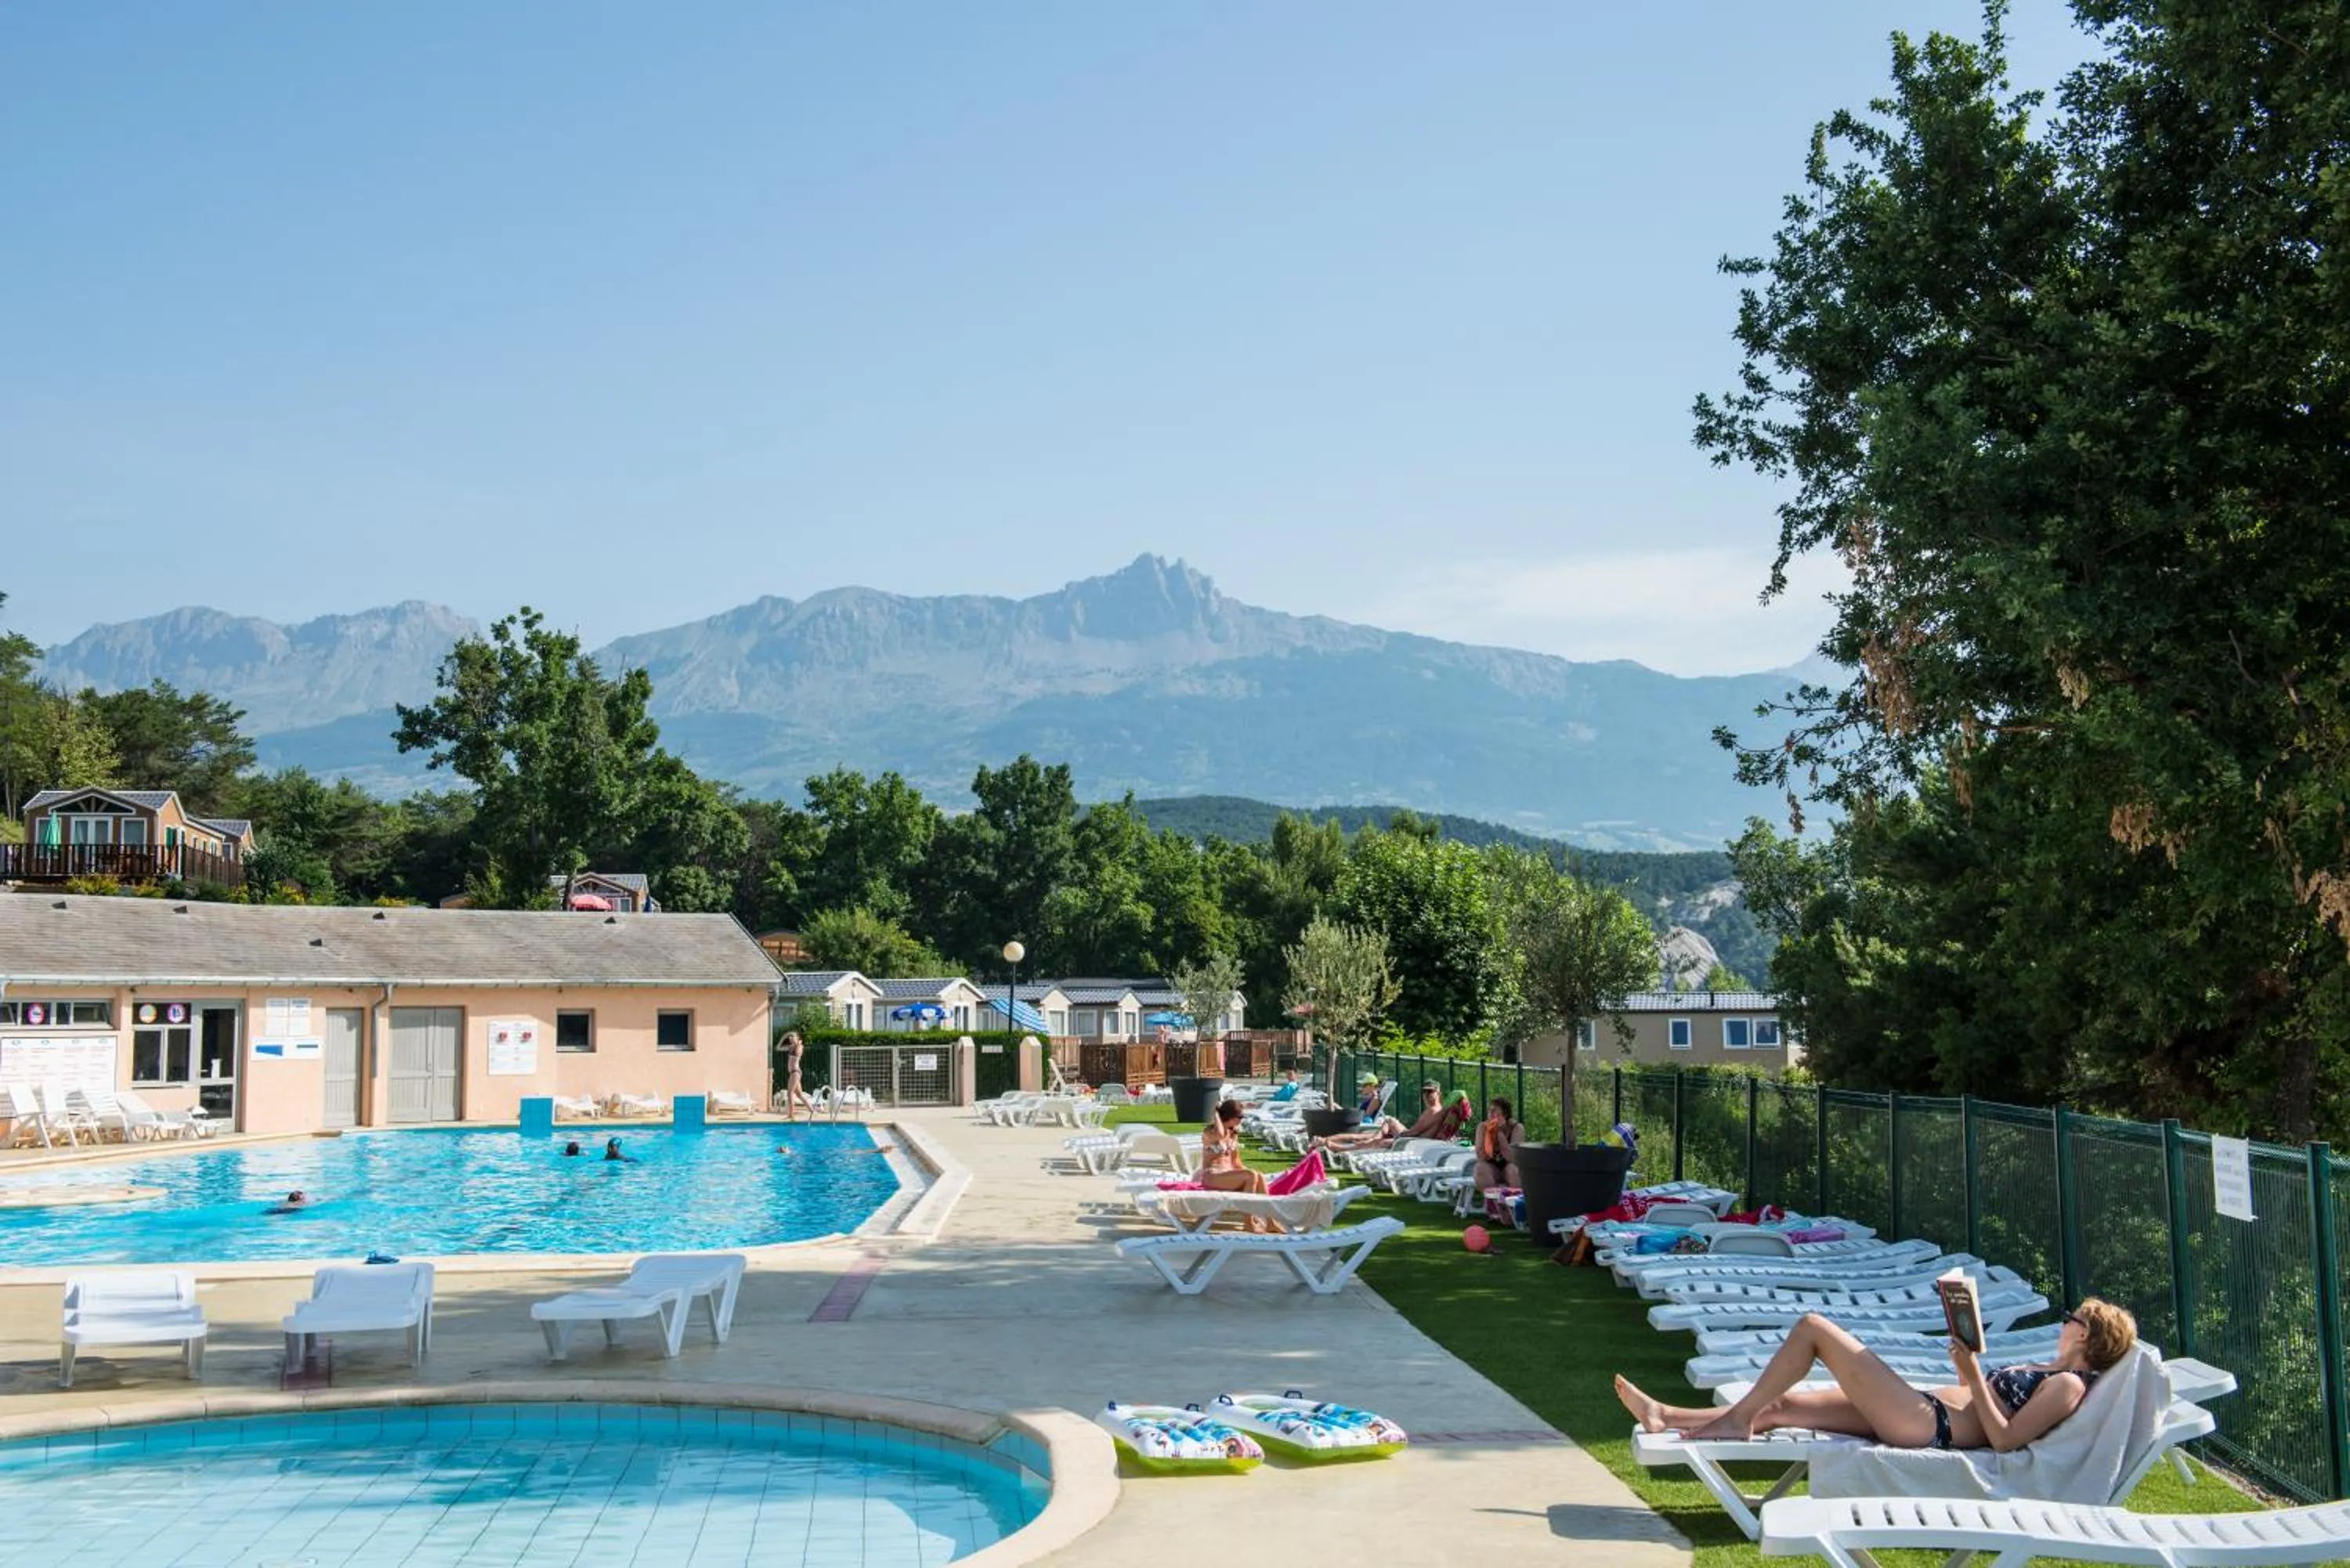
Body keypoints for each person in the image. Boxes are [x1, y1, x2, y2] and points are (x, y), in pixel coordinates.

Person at [1615, 1299, 2137, 1451]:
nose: (2065, 1322)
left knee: (1815, 1328)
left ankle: (1733, 1422)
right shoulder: (2050, 1369)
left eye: (2073, 1319)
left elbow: (2005, 1440)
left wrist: (1972, 1372)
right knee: (1781, 1406)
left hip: (1929, 1425)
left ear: (2087, 1336)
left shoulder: (2068, 1385)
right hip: (1919, 1406)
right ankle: (1666, 1415)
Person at [1314, 1082, 1462, 1153]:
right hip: (1414, 1137)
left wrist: (1399, 1136)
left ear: (1439, 1094)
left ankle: (1337, 1147)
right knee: (1386, 1123)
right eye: (1425, 1092)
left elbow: (1415, 1133)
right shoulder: (1432, 1110)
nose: (1427, 1095)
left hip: (1416, 1142)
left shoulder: (1436, 1112)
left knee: (1379, 1141)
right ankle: (1328, 1140)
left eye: (1431, 1092)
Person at [1198, 1100, 1270, 1198]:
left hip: (1228, 1174)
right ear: (1230, 1117)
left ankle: (1268, 1212)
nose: (1242, 1119)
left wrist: (1251, 1173)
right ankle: (1248, 1213)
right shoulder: (1210, 1133)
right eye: (1240, 1117)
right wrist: (1216, 1113)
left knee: (1258, 1175)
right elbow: (1220, 1134)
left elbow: (1236, 1163)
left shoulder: (1232, 1134)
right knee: (1250, 1176)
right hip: (1212, 1176)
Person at [1474, 1097, 1524, 1191]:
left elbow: (1512, 1157)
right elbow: (1481, 1157)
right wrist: (1490, 1135)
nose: (1490, 1114)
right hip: (1490, 1166)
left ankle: (1513, 1202)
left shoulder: (1517, 1128)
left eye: (1494, 1111)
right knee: (1480, 1169)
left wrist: (1500, 1133)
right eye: (1489, 1111)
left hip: (1509, 1165)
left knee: (1514, 1171)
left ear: (1505, 1115)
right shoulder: (1483, 1127)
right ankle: (1494, 1203)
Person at [779, 1030, 812, 1121]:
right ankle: (812, 1111)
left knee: (790, 1093)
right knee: (799, 1094)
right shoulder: (791, 1047)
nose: (790, 1038)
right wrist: (784, 1038)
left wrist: (797, 1043)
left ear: (798, 1039)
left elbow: (798, 1053)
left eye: (792, 1036)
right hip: (793, 1073)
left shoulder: (799, 1047)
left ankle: (791, 1115)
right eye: (790, 1037)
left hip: (795, 1072)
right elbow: (778, 1048)